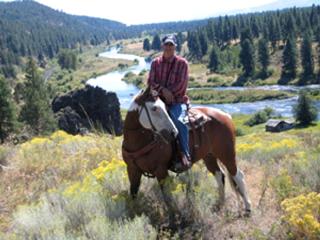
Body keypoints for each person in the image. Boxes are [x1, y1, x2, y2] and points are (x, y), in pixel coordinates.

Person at [147, 34, 191, 168]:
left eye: (171, 45)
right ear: (162, 46)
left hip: (177, 100)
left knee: (178, 121)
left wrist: (168, 92)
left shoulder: (182, 63)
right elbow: (151, 81)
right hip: (159, 101)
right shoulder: (155, 63)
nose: (169, 47)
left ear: (175, 47)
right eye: (166, 44)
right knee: (145, 119)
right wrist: (163, 90)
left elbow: (182, 84)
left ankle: (184, 154)